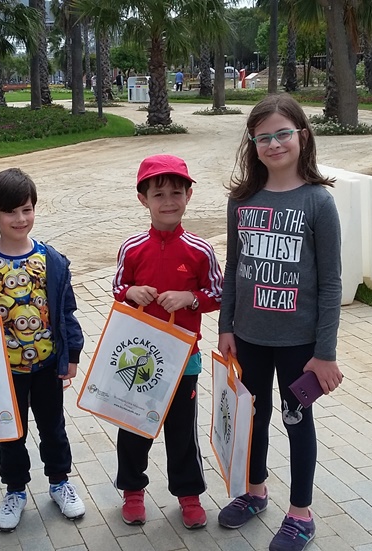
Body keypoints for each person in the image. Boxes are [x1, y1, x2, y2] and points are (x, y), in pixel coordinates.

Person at [216, 93, 344, 551]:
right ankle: (255, 492)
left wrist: (324, 353)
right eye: (263, 137)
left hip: (298, 343)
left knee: (296, 419)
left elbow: (330, 283)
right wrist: (226, 326)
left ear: (302, 137)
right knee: (253, 416)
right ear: (252, 144)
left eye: (282, 134)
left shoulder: (318, 202)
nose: (274, 144)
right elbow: (234, 267)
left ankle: (300, 514)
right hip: (248, 337)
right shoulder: (242, 201)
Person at [0, 168, 86, 532]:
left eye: (26, 209)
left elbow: (66, 311)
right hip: (3, 370)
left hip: (46, 366)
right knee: (11, 432)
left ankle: (60, 482)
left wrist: (72, 356)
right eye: (10, 211)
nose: (20, 219)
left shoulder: (52, 261)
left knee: (53, 427)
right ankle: (15, 490)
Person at [112, 154, 223, 529]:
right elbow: (118, 287)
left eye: (177, 192)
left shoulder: (200, 250)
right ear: (143, 199)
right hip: (138, 358)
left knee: (181, 432)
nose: (169, 201)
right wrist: (132, 292)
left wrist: (190, 298)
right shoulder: (132, 248)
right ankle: (132, 490)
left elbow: (218, 293)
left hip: (183, 358)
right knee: (134, 426)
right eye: (159, 194)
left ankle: (189, 495)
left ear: (189, 196)